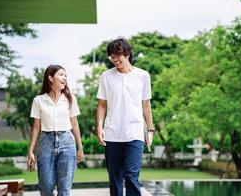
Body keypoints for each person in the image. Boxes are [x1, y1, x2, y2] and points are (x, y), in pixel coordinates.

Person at [96, 37, 154, 196]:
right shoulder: (106, 76)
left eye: (117, 55)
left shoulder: (143, 76)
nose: (114, 59)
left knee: (131, 174)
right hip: (112, 133)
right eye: (111, 56)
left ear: (127, 53)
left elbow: (146, 105)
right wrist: (99, 128)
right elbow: (101, 105)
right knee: (115, 179)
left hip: (135, 133)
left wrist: (150, 129)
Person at [27, 65, 84, 196]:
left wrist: (80, 147)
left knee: (64, 190)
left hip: (67, 142)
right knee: (46, 187)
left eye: (65, 75)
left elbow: (74, 123)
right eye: (61, 75)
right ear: (51, 78)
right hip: (46, 142)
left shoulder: (70, 98)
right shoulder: (38, 100)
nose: (64, 78)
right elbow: (36, 127)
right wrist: (30, 151)